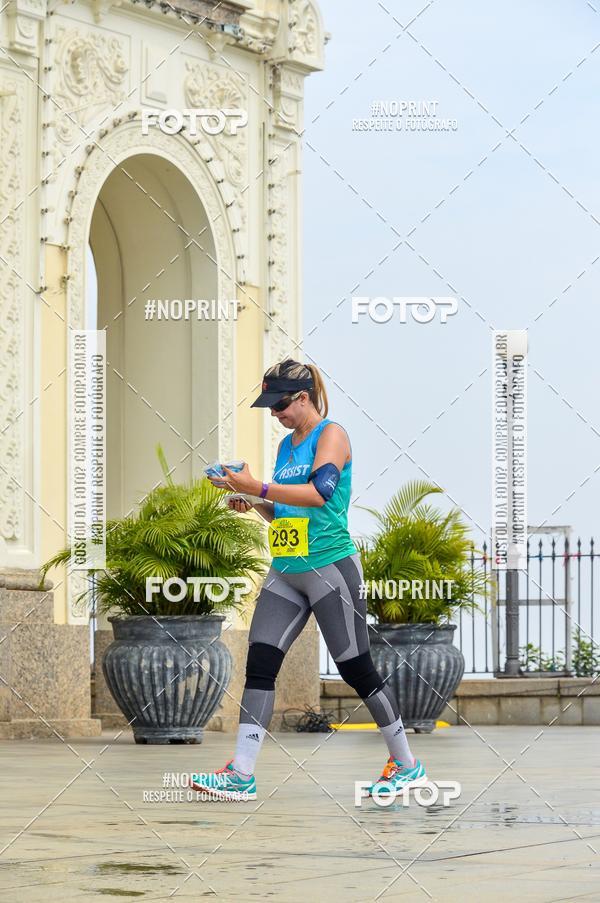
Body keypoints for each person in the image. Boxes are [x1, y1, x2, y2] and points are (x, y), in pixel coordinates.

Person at [191, 358, 427, 801]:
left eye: (279, 405)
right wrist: (249, 499)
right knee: (260, 664)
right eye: (270, 408)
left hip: (329, 566)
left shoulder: (331, 435)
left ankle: (406, 764)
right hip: (286, 569)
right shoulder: (285, 447)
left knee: (356, 668)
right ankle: (241, 772)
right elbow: (284, 511)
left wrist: (257, 487)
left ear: (302, 398)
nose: (275, 414)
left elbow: (319, 494)